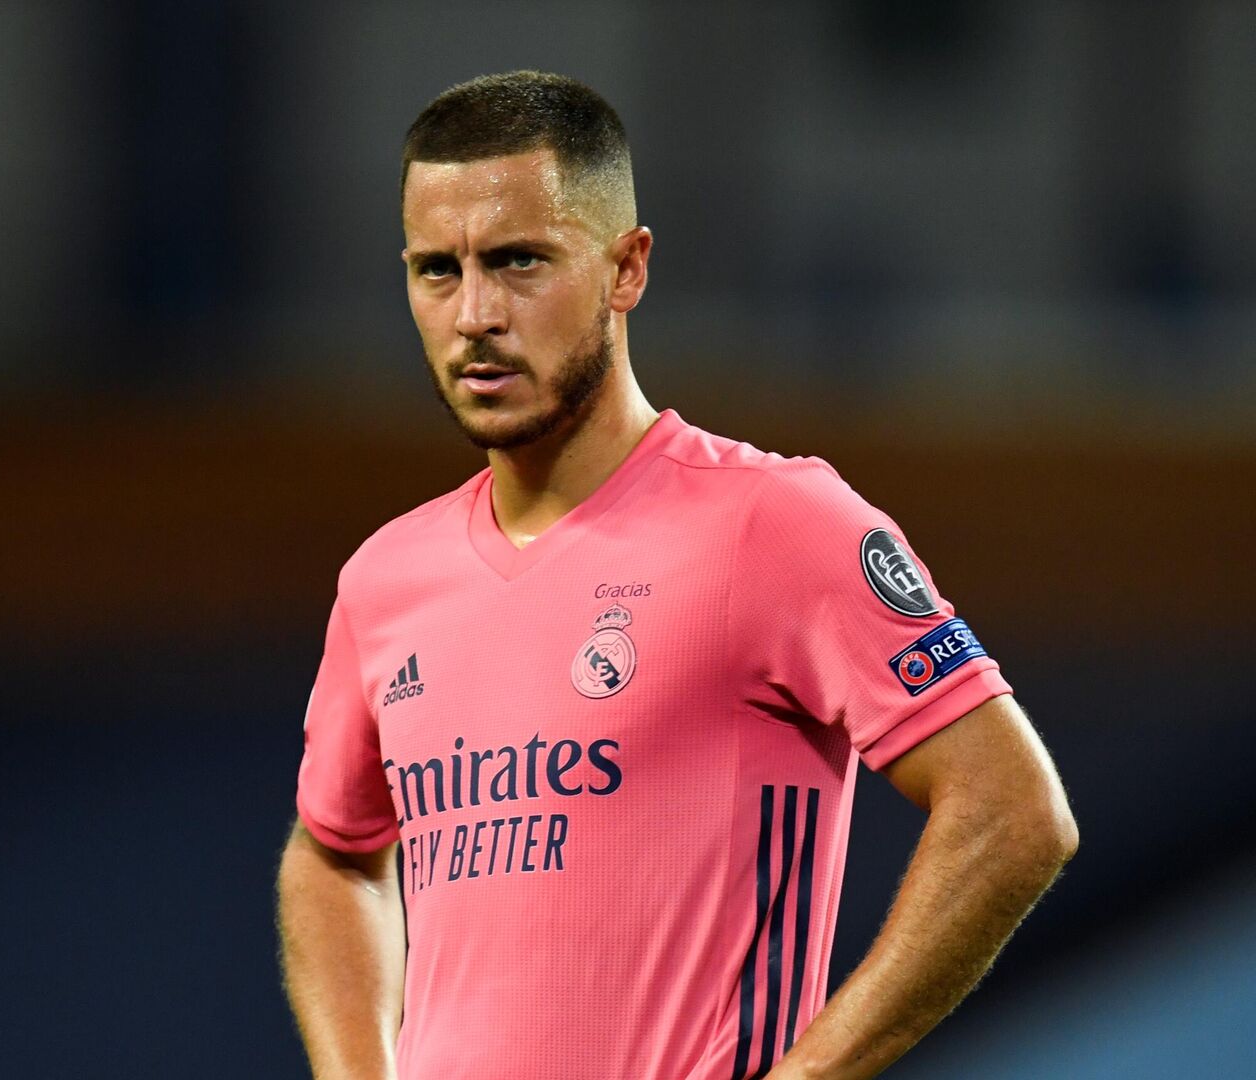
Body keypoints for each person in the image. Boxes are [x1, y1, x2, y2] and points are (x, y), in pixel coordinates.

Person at [275, 71, 1077, 1080]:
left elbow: (1012, 811)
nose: (474, 313)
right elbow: (333, 852)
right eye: (438, 270)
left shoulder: (774, 526)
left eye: (520, 261)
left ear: (627, 269)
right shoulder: (387, 580)